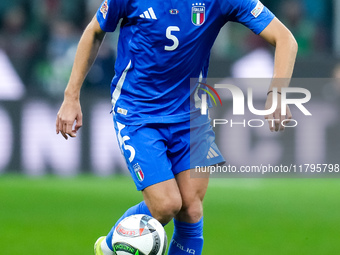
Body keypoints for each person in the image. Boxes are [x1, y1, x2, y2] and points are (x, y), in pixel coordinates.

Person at [56, 0, 297, 254]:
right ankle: (108, 247)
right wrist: (71, 96)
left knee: (191, 208)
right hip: (138, 112)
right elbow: (94, 31)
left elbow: (286, 39)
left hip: (191, 116)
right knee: (166, 205)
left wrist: (278, 93)